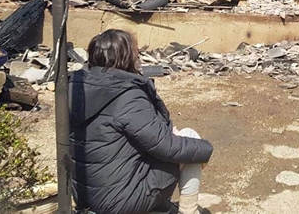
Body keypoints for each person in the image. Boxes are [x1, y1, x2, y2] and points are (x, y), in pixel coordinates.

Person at [69, 30, 213, 214]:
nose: (138, 59)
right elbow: (166, 146)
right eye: (136, 54)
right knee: (190, 140)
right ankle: (188, 211)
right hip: (117, 203)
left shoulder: (76, 86)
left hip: (83, 195)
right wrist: (206, 148)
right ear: (126, 57)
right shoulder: (126, 95)